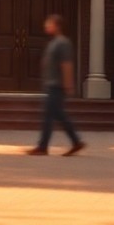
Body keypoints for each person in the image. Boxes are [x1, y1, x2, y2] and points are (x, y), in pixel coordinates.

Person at [26, 13, 85, 156]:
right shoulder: (53, 43)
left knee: (49, 116)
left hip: (57, 86)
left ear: (57, 26)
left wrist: (68, 84)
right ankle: (76, 142)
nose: (46, 25)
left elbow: (66, 65)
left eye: (49, 23)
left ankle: (43, 147)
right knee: (58, 115)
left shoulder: (63, 43)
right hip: (50, 84)